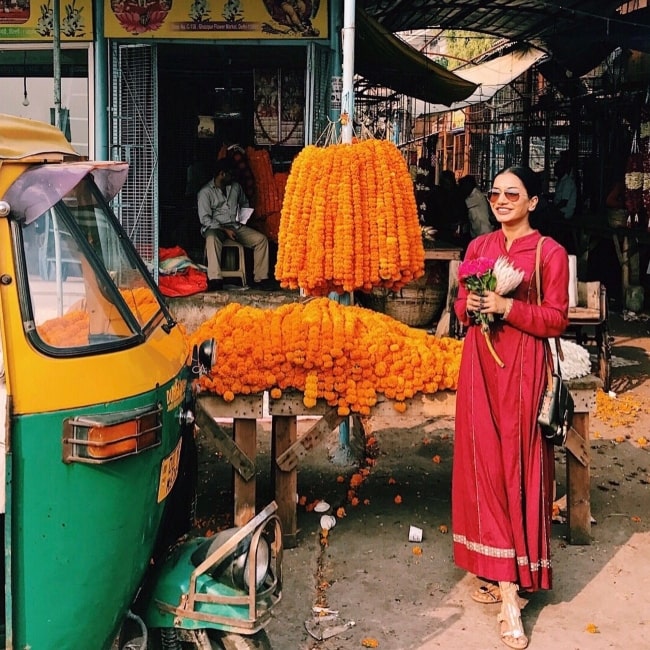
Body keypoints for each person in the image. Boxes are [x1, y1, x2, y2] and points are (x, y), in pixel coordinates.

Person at [452, 166, 569, 650]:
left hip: (524, 371)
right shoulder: (479, 249)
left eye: (512, 194)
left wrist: (507, 308)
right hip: (479, 365)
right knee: (483, 467)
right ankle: (502, 581)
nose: (501, 201)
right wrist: (475, 306)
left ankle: (512, 579)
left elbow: (556, 319)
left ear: (533, 202)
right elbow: (460, 306)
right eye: (496, 193)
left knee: (517, 468)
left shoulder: (548, 253)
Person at [197, 158, 274, 291]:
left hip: (235, 226)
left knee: (261, 240)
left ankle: (261, 278)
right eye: (230, 174)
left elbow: (244, 203)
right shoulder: (205, 192)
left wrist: (242, 219)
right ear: (222, 174)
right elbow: (205, 220)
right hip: (215, 228)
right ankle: (215, 279)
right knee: (211, 238)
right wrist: (225, 230)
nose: (233, 177)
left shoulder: (236, 187)